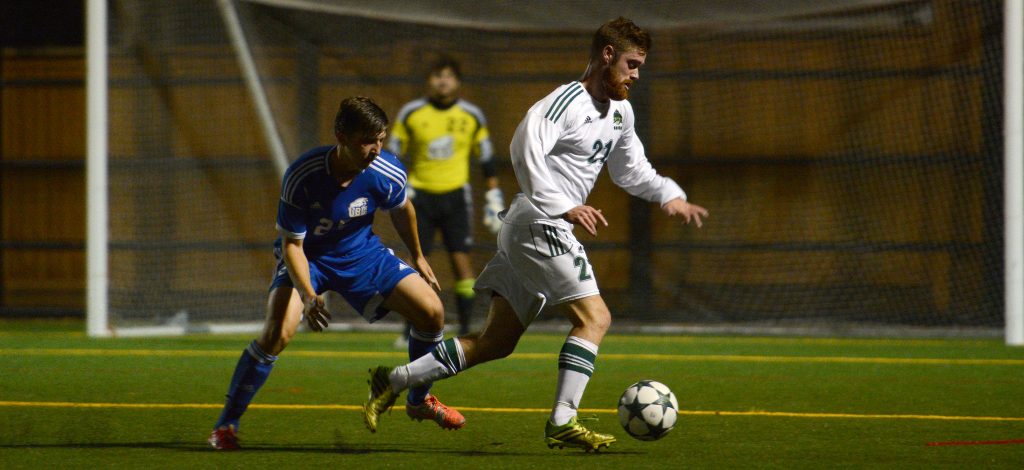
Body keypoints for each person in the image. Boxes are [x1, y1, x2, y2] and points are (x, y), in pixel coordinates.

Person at [361, 18, 709, 452]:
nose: (636, 75)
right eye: (631, 64)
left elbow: (631, 169)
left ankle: (393, 379)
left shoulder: (621, 112)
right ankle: (563, 420)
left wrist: (668, 195)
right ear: (606, 55)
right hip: (540, 222)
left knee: (496, 343)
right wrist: (563, 204)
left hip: (534, 225)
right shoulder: (564, 102)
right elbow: (523, 149)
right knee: (595, 318)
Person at [208, 96, 466, 451]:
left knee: (433, 313)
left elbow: (402, 208)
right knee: (276, 333)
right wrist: (309, 295)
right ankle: (226, 425)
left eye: (381, 139)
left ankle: (418, 400)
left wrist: (418, 256)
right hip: (309, 258)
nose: (375, 149)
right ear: (341, 136)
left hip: (362, 254)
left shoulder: (385, 170)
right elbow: (292, 246)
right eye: (366, 141)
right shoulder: (303, 176)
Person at [388, 55, 504, 345]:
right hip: (420, 197)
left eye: (449, 76)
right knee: (415, 263)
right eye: (437, 75)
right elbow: (395, 153)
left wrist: (493, 195)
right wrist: (399, 187)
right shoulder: (411, 113)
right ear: (429, 81)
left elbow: (487, 158)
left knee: (461, 263)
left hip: (455, 197)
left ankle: (465, 326)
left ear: (457, 82)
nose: (443, 81)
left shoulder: (472, 115)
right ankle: (409, 329)